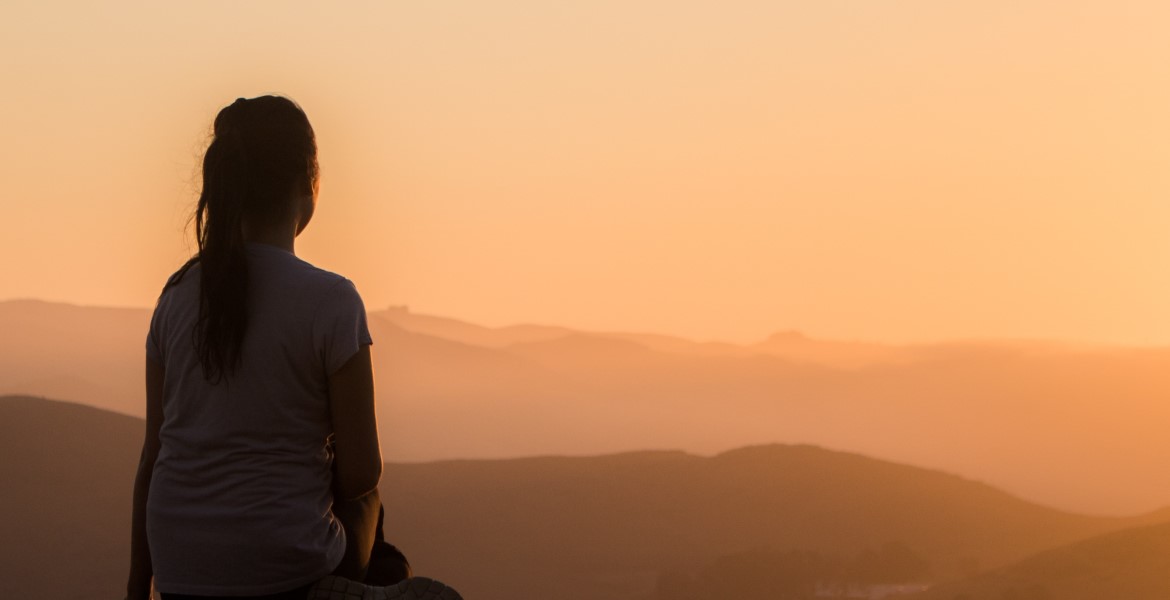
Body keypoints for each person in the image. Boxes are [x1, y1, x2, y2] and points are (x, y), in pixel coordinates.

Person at [124, 95, 458, 600]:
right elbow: (362, 471)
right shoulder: (331, 301)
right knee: (376, 513)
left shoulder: (175, 297)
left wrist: (136, 587)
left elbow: (153, 458)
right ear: (308, 181)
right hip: (283, 578)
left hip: (180, 577)